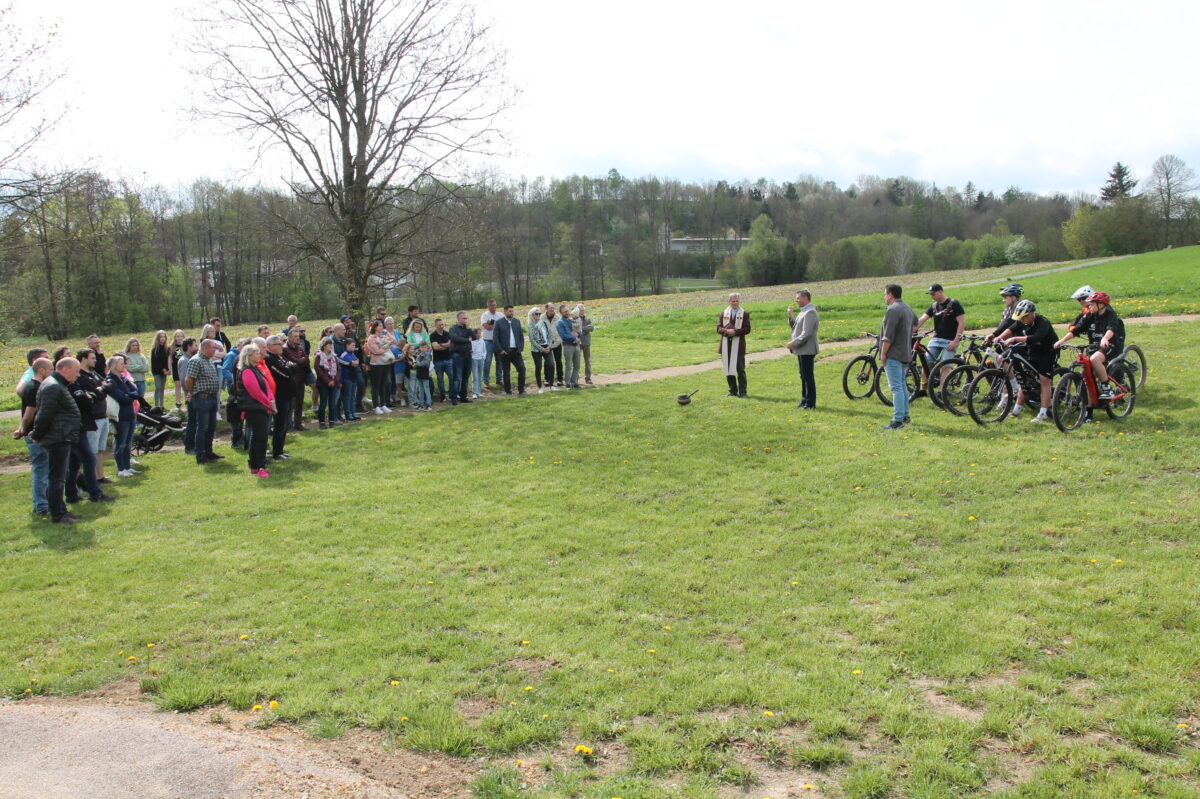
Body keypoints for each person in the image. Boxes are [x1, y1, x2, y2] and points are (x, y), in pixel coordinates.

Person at [30, 358, 84, 524]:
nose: (78, 374)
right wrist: (37, 435)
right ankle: (58, 515)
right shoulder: (53, 386)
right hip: (58, 437)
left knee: (60, 476)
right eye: (76, 370)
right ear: (65, 369)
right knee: (57, 478)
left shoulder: (56, 385)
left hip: (62, 435)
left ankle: (62, 510)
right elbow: (45, 414)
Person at [1055, 291, 1125, 402]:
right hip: (1095, 346)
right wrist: (1062, 340)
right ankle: (1089, 409)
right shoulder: (1090, 315)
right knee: (1088, 375)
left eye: (1092, 304)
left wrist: (1105, 338)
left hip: (1110, 345)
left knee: (1094, 360)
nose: (1089, 306)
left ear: (1100, 305)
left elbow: (1111, 329)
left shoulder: (1110, 315)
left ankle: (1107, 388)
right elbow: (1077, 329)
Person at [66, 351, 114, 505]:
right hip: (77, 426)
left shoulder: (84, 378)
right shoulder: (70, 385)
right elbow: (86, 402)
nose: (78, 375)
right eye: (75, 371)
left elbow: (105, 387)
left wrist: (94, 393)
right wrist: (95, 393)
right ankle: (94, 493)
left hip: (79, 426)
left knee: (74, 464)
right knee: (88, 458)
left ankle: (72, 495)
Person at [1004, 300, 1057, 423]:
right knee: (1026, 379)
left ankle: (1043, 413)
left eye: (1023, 318)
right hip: (1033, 351)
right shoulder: (1023, 320)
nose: (1021, 321)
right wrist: (998, 337)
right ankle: (1016, 411)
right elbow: (1011, 329)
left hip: (1047, 352)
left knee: (1045, 380)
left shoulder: (1043, 322)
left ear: (1031, 314)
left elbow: (1036, 338)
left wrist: (1015, 339)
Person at [13, 357, 53, 518]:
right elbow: (29, 414)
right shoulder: (34, 388)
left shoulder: (38, 386)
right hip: (35, 435)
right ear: (41, 370)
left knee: (45, 470)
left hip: (39, 434)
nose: (52, 372)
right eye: (50, 369)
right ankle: (41, 506)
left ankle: (46, 503)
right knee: (41, 471)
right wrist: (23, 429)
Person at [878, 284, 918, 430]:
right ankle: (905, 417)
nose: (884, 297)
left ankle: (898, 420)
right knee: (901, 385)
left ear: (890, 295)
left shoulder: (893, 310)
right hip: (905, 353)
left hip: (893, 354)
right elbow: (916, 322)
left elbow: (888, 336)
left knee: (896, 387)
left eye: (885, 294)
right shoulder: (907, 307)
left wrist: (883, 353)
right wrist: (907, 334)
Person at [236, 343, 275, 477]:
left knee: (258, 437)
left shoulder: (255, 368)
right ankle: (259, 466)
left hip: (261, 407)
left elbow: (266, 386)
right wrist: (269, 404)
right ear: (249, 356)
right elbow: (255, 392)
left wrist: (271, 400)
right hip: (255, 409)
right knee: (260, 438)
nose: (259, 354)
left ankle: (255, 465)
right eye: (256, 353)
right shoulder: (247, 371)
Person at [185, 339, 225, 464]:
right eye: (214, 347)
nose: (215, 350)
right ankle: (200, 454)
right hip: (202, 398)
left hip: (212, 397)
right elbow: (189, 379)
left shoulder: (208, 360)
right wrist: (192, 393)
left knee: (211, 427)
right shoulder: (196, 361)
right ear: (206, 348)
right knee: (202, 427)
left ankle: (209, 452)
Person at [76, 348, 112, 485]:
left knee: (101, 449)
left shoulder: (93, 373)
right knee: (92, 450)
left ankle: (100, 476)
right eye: (92, 358)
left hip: (103, 415)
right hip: (93, 417)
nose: (95, 361)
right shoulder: (80, 377)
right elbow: (95, 395)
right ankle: (90, 480)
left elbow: (109, 385)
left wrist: (102, 389)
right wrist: (102, 390)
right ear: (83, 359)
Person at [105, 355, 142, 477]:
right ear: (114, 366)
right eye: (121, 363)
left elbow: (136, 392)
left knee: (127, 442)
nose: (124, 365)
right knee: (121, 443)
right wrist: (128, 396)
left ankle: (127, 466)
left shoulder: (123, 378)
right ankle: (121, 469)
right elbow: (121, 398)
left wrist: (128, 395)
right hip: (120, 416)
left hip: (130, 414)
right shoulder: (110, 380)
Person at [914, 284, 965, 365]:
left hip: (950, 341)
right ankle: (928, 377)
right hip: (936, 339)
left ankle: (946, 377)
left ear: (941, 292)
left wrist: (956, 341)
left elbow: (962, 322)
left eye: (933, 294)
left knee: (945, 365)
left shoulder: (953, 303)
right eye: (931, 294)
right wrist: (910, 331)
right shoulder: (934, 306)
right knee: (926, 364)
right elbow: (922, 320)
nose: (932, 296)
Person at [264, 335, 297, 459]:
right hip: (280, 396)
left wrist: (291, 366)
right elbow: (287, 372)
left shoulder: (279, 357)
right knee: (280, 424)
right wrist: (290, 367)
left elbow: (295, 367)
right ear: (271, 346)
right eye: (279, 344)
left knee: (284, 425)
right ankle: (277, 452)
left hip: (288, 395)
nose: (282, 346)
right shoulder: (270, 359)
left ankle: (280, 450)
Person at [787, 289, 819, 409]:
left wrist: (793, 343)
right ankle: (804, 400)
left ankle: (810, 403)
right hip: (802, 349)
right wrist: (790, 316)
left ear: (805, 298)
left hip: (807, 349)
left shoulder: (810, 312)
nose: (796, 300)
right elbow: (796, 327)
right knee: (803, 376)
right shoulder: (804, 311)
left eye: (798, 298)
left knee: (808, 377)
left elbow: (806, 334)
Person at [717, 293, 751, 397]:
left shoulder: (744, 313)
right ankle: (732, 391)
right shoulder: (723, 313)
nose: (735, 303)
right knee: (728, 369)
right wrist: (726, 331)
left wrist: (735, 332)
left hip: (739, 346)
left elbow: (747, 329)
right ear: (729, 302)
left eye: (737, 301)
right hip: (726, 345)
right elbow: (718, 328)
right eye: (733, 301)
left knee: (740, 369)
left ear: (739, 301)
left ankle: (743, 392)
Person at [493, 304, 527, 395]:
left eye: (512, 311)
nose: (511, 313)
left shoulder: (517, 321)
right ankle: (508, 391)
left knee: (522, 370)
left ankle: (521, 390)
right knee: (506, 373)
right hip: (505, 352)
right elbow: (495, 338)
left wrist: (521, 347)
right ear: (505, 312)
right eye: (509, 311)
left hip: (516, 351)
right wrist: (500, 350)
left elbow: (521, 336)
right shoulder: (499, 322)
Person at [282, 327, 311, 430]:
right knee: (291, 404)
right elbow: (294, 361)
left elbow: (306, 360)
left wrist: (301, 360)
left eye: (298, 336)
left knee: (299, 402)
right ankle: (287, 425)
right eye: (295, 336)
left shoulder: (299, 347)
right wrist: (301, 360)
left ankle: (298, 424)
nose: (298, 338)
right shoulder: (285, 348)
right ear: (289, 337)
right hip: (292, 380)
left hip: (301, 378)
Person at [223, 338, 249, 449]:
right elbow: (225, 370)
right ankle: (236, 441)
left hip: (239, 390)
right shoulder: (232, 356)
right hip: (234, 390)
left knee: (240, 419)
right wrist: (234, 380)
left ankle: (241, 439)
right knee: (236, 419)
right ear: (239, 346)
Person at [365, 320, 395, 413]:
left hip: (385, 363)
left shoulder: (383, 336)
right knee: (376, 385)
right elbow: (376, 351)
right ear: (375, 328)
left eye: (382, 326)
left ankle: (383, 404)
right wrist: (386, 348)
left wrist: (388, 334)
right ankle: (376, 406)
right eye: (380, 326)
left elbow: (393, 341)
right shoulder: (371, 338)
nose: (382, 327)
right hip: (376, 364)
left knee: (383, 384)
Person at [448, 311, 476, 405]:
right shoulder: (453, 328)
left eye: (466, 318)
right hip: (457, 355)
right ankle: (454, 397)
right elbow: (455, 338)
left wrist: (469, 328)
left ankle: (463, 396)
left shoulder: (467, 329)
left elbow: (475, 337)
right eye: (464, 318)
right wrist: (467, 340)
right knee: (457, 378)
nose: (466, 320)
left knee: (466, 377)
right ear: (459, 319)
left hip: (468, 355)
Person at [314, 336, 343, 428]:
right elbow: (319, 371)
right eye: (329, 344)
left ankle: (331, 420)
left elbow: (338, 369)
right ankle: (322, 422)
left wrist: (335, 380)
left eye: (331, 344)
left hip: (334, 383)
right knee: (323, 402)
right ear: (324, 346)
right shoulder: (319, 356)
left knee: (332, 403)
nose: (331, 346)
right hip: (323, 384)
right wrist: (328, 381)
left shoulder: (334, 356)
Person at [527, 306, 553, 393]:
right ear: (532, 315)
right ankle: (540, 387)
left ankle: (551, 385)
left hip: (547, 346)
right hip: (536, 350)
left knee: (551, 364)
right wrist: (542, 349)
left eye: (539, 313)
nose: (538, 315)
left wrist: (549, 346)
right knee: (538, 367)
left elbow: (549, 335)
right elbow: (532, 340)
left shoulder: (544, 323)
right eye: (536, 314)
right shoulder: (530, 326)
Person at [337, 337, 362, 421]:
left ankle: (353, 412)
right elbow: (348, 363)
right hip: (346, 377)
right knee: (347, 396)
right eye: (352, 345)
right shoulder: (344, 354)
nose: (354, 347)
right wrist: (352, 363)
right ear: (347, 345)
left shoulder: (352, 353)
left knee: (352, 396)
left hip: (353, 377)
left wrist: (355, 363)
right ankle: (348, 414)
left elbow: (357, 361)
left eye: (354, 345)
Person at [429, 318, 453, 403]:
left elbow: (450, 344)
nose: (441, 326)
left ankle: (451, 394)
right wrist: (445, 345)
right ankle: (442, 395)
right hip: (438, 361)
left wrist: (440, 345)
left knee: (451, 377)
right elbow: (435, 347)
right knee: (440, 379)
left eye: (443, 324)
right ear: (435, 325)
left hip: (448, 359)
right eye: (439, 325)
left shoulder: (447, 333)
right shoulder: (432, 335)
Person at [480, 299, 503, 387]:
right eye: (492, 305)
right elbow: (487, 327)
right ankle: (486, 381)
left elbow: (502, 327)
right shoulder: (485, 315)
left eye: (495, 305)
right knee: (488, 361)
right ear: (488, 306)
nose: (494, 306)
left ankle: (499, 379)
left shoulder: (500, 315)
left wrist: (492, 324)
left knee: (499, 360)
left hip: (498, 341)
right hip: (488, 341)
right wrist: (496, 325)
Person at [557, 305, 581, 389]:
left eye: (567, 311)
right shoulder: (560, 323)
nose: (567, 312)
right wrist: (574, 337)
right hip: (568, 346)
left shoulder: (572, 320)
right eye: (565, 311)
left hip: (577, 345)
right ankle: (568, 384)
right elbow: (563, 336)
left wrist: (578, 335)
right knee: (568, 366)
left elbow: (579, 331)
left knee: (577, 365)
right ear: (561, 313)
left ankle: (574, 382)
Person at [149, 330, 172, 409]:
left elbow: (167, 360)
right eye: (161, 337)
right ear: (158, 338)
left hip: (164, 372)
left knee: (162, 388)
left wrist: (168, 370)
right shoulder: (155, 349)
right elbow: (155, 362)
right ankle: (156, 405)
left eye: (164, 337)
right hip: (157, 371)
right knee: (158, 387)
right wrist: (162, 369)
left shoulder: (167, 349)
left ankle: (161, 405)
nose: (162, 338)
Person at [408, 341, 433, 410]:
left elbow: (425, 363)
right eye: (422, 347)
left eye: (425, 347)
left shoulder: (428, 355)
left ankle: (429, 404)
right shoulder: (418, 356)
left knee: (426, 389)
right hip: (419, 374)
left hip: (425, 375)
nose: (424, 349)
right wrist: (414, 364)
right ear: (419, 348)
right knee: (421, 390)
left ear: (427, 348)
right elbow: (416, 365)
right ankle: (421, 404)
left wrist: (415, 364)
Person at [544, 303, 564, 386]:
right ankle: (547, 379)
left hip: (557, 342)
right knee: (547, 361)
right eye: (550, 308)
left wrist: (558, 341)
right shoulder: (542, 317)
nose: (552, 309)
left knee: (558, 361)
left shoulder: (558, 317)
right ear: (546, 309)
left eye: (553, 308)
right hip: (547, 343)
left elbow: (561, 331)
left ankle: (560, 379)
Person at [577, 304, 594, 384]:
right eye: (581, 310)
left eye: (583, 310)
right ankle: (575, 378)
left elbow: (591, 328)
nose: (582, 312)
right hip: (578, 343)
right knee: (577, 361)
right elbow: (575, 330)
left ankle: (588, 378)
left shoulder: (588, 319)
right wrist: (585, 329)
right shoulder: (575, 319)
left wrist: (581, 329)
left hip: (587, 343)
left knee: (587, 361)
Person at [469, 324, 487, 399]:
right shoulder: (471, 342)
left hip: (481, 359)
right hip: (474, 360)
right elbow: (471, 351)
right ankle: (474, 392)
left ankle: (479, 391)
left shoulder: (482, 341)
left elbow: (484, 350)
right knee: (475, 376)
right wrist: (473, 357)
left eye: (480, 333)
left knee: (480, 376)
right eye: (477, 333)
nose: (479, 334)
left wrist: (483, 357)